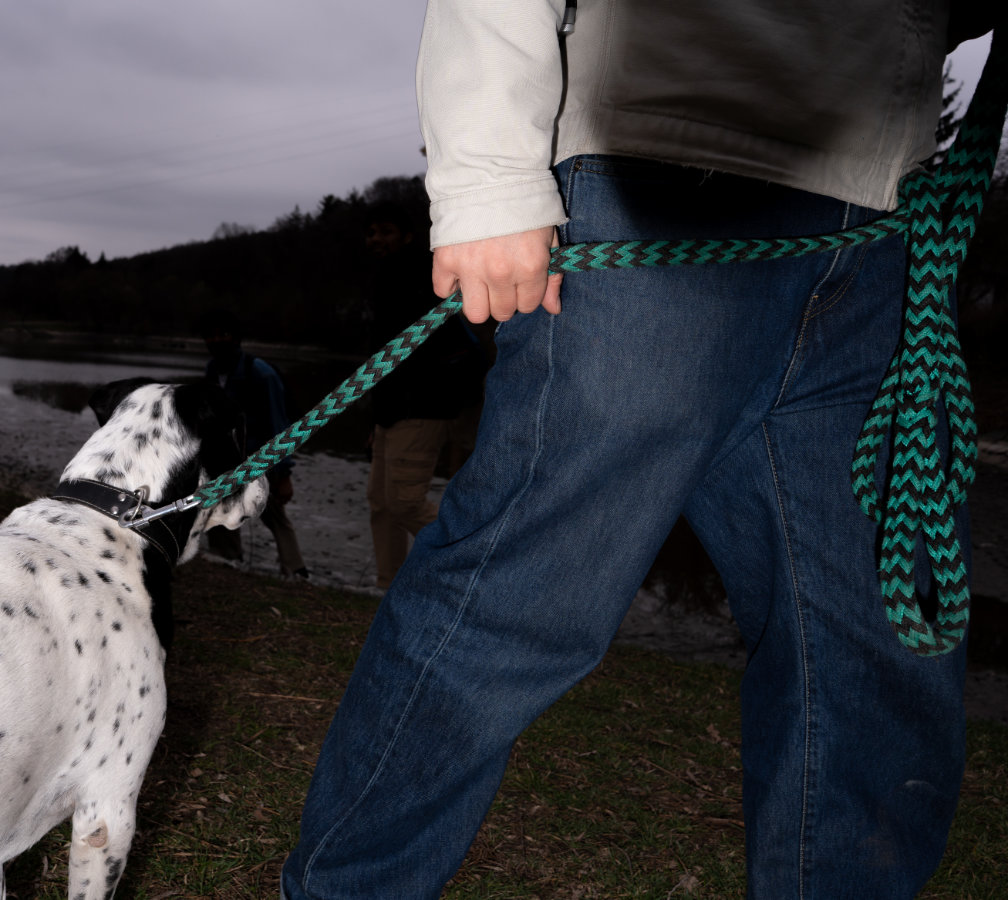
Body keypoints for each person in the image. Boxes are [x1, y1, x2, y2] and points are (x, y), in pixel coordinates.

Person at [282, 2, 995, 898]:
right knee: (513, 605)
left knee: (877, 647)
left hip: (884, 229)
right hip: (661, 185)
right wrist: (490, 175)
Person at [364, 201, 489, 589]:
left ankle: (475, 560)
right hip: (390, 410)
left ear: (407, 236)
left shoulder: (422, 277)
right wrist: (376, 416)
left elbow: (425, 349)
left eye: (385, 231)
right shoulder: (384, 278)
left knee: (404, 503)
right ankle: (389, 585)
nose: (376, 240)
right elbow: (382, 356)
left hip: (421, 408)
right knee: (382, 504)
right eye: (371, 233)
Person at [201, 310, 309, 580]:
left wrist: (284, 474)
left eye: (223, 334)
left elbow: (279, 425)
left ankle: (296, 572)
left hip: (261, 461)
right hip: (225, 460)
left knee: (274, 515)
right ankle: (227, 560)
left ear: (236, 338)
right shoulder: (212, 371)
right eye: (211, 335)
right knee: (219, 510)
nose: (217, 340)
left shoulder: (261, 374)